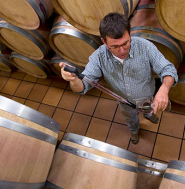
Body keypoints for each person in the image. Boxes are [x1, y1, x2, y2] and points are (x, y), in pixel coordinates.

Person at [60, 12, 178, 144]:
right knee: (131, 119)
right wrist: (73, 80)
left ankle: (148, 115)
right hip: (124, 102)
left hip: (146, 96)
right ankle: (134, 131)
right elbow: (82, 87)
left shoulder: (145, 47)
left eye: (125, 44)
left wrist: (164, 89)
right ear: (104, 41)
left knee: (147, 109)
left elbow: (168, 69)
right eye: (114, 46)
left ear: (130, 34)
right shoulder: (98, 57)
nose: (122, 51)